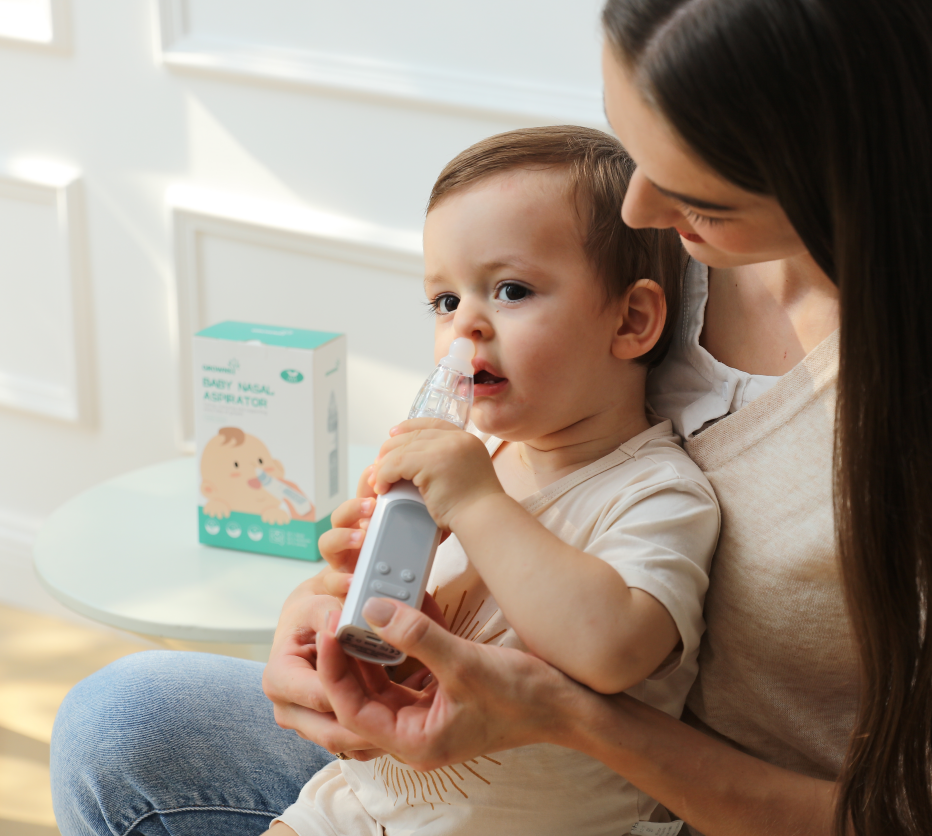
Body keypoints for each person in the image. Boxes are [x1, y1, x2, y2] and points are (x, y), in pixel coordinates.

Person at [54, 0, 932, 836]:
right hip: (493, 760)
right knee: (119, 720)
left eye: (697, 194)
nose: (637, 217)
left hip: (666, 806)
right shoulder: (660, 259)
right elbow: (490, 473)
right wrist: (330, 611)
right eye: (634, 150)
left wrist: (567, 716)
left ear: (846, 184)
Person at [272, 125, 718, 836]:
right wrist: (348, 595)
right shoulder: (472, 453)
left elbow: (611, 649)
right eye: (444, 302)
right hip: (363, 805)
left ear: (630, 320)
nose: (464, 329)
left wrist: (476, 501)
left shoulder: (655, 493)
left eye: (510, 290)